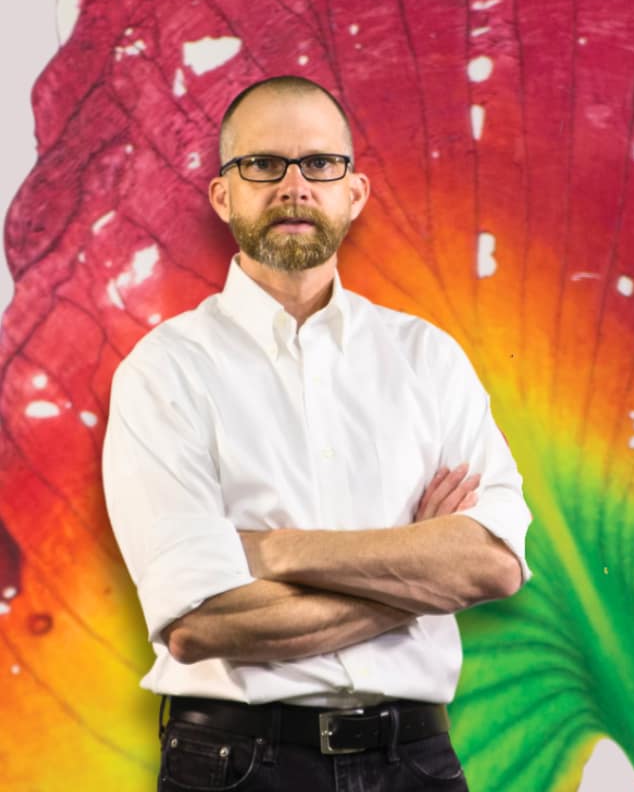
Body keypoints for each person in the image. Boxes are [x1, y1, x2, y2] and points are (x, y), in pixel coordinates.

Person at [102, 75, 531, 792]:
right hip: (237, 765)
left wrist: (271, 551)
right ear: (223, 195)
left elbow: (492, 564)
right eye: (262, 165)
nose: (293, 186)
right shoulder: (164, 371)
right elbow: (199, 625)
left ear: (353, 192)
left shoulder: (427, 357)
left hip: (416, 763)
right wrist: (420, 577)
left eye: (320, 165)